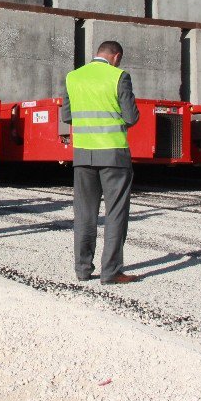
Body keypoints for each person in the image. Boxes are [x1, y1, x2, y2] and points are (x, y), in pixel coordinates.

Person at [60, 41, 141, 284]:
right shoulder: (119, 76)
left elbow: (66, 116)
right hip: (114, 154)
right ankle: (111, 271)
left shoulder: (73, 77)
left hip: (83, 154)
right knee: (115, 212)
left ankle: (83, 269)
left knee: (84, 214)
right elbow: (131, 116)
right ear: (116, 56)